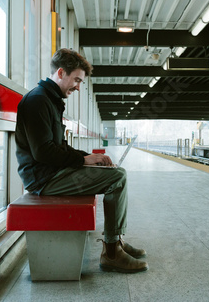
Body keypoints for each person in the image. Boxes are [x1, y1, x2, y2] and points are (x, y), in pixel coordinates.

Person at [15, 48, 148, 273]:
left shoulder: (49, 99)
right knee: (117, 178)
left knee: (118, 173)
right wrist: (84, 161)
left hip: (51, 173)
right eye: (76, 80)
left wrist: (88, 158)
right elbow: (43, 153)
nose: (78, 86)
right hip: (44, 179)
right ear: (60, 72)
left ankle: (116, 242)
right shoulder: (37, 101)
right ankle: (112, 251)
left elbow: (59, 147)